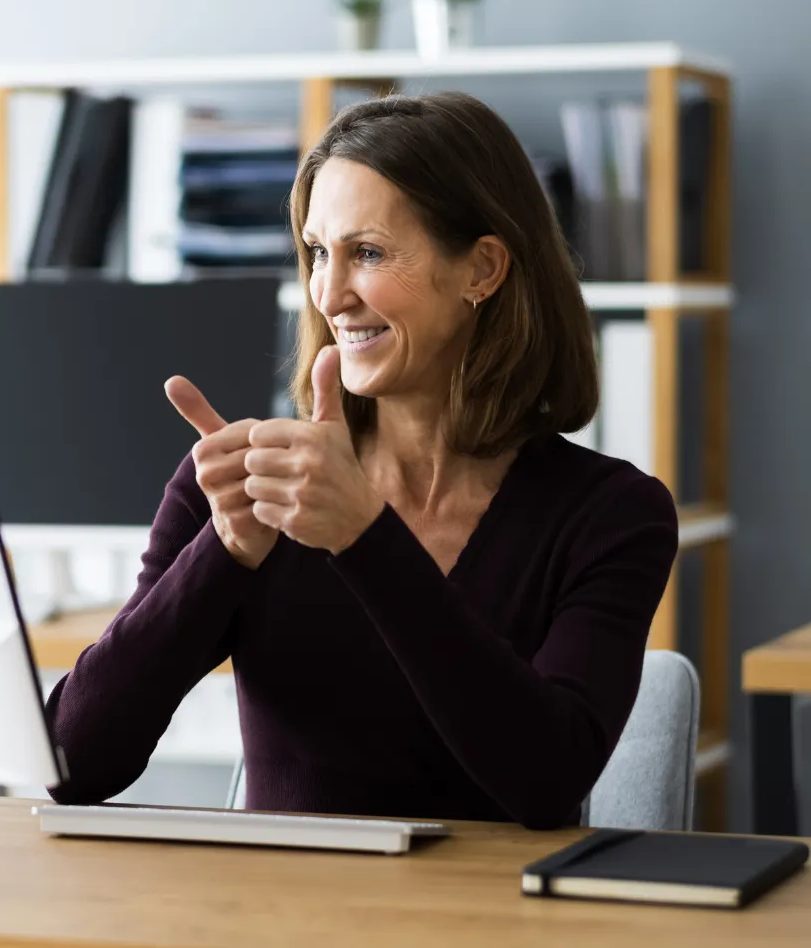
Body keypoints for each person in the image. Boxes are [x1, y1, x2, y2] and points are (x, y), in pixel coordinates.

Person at [45, 92, 679, 829]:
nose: (330, 292)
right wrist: (223, 551)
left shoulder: (611, 515)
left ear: (482, 269)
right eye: (318, 252)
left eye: (368, 253)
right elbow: (72, 765)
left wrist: (366, 537)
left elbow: (545, 781)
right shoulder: (246, 484)